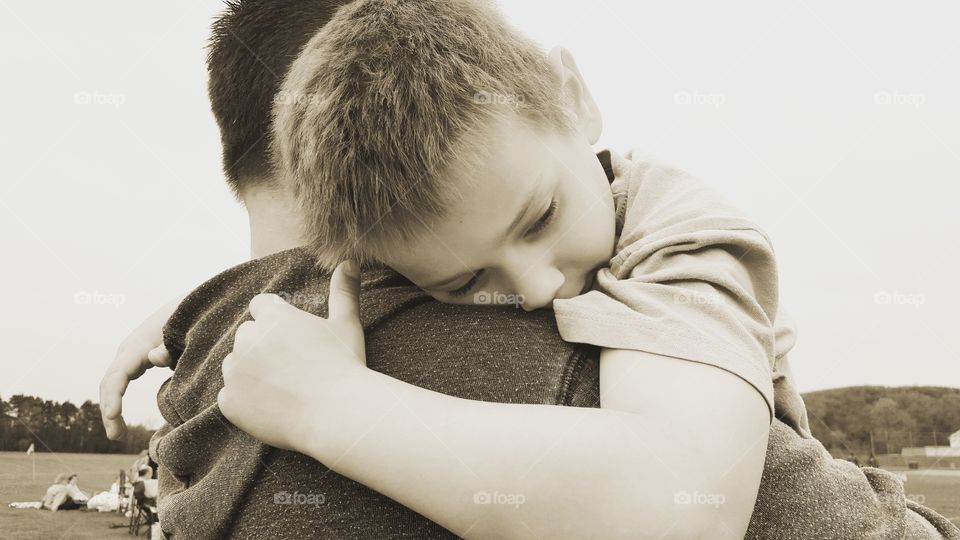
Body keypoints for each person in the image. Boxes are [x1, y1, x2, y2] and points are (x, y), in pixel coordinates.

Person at [99, 1, 959, 538]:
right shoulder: (474, 215)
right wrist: (192, 316)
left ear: (576, 97)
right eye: (457, 286)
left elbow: (678, 509)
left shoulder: (685, 234)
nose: (533, 287)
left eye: (541, 219)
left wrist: (329, 404)